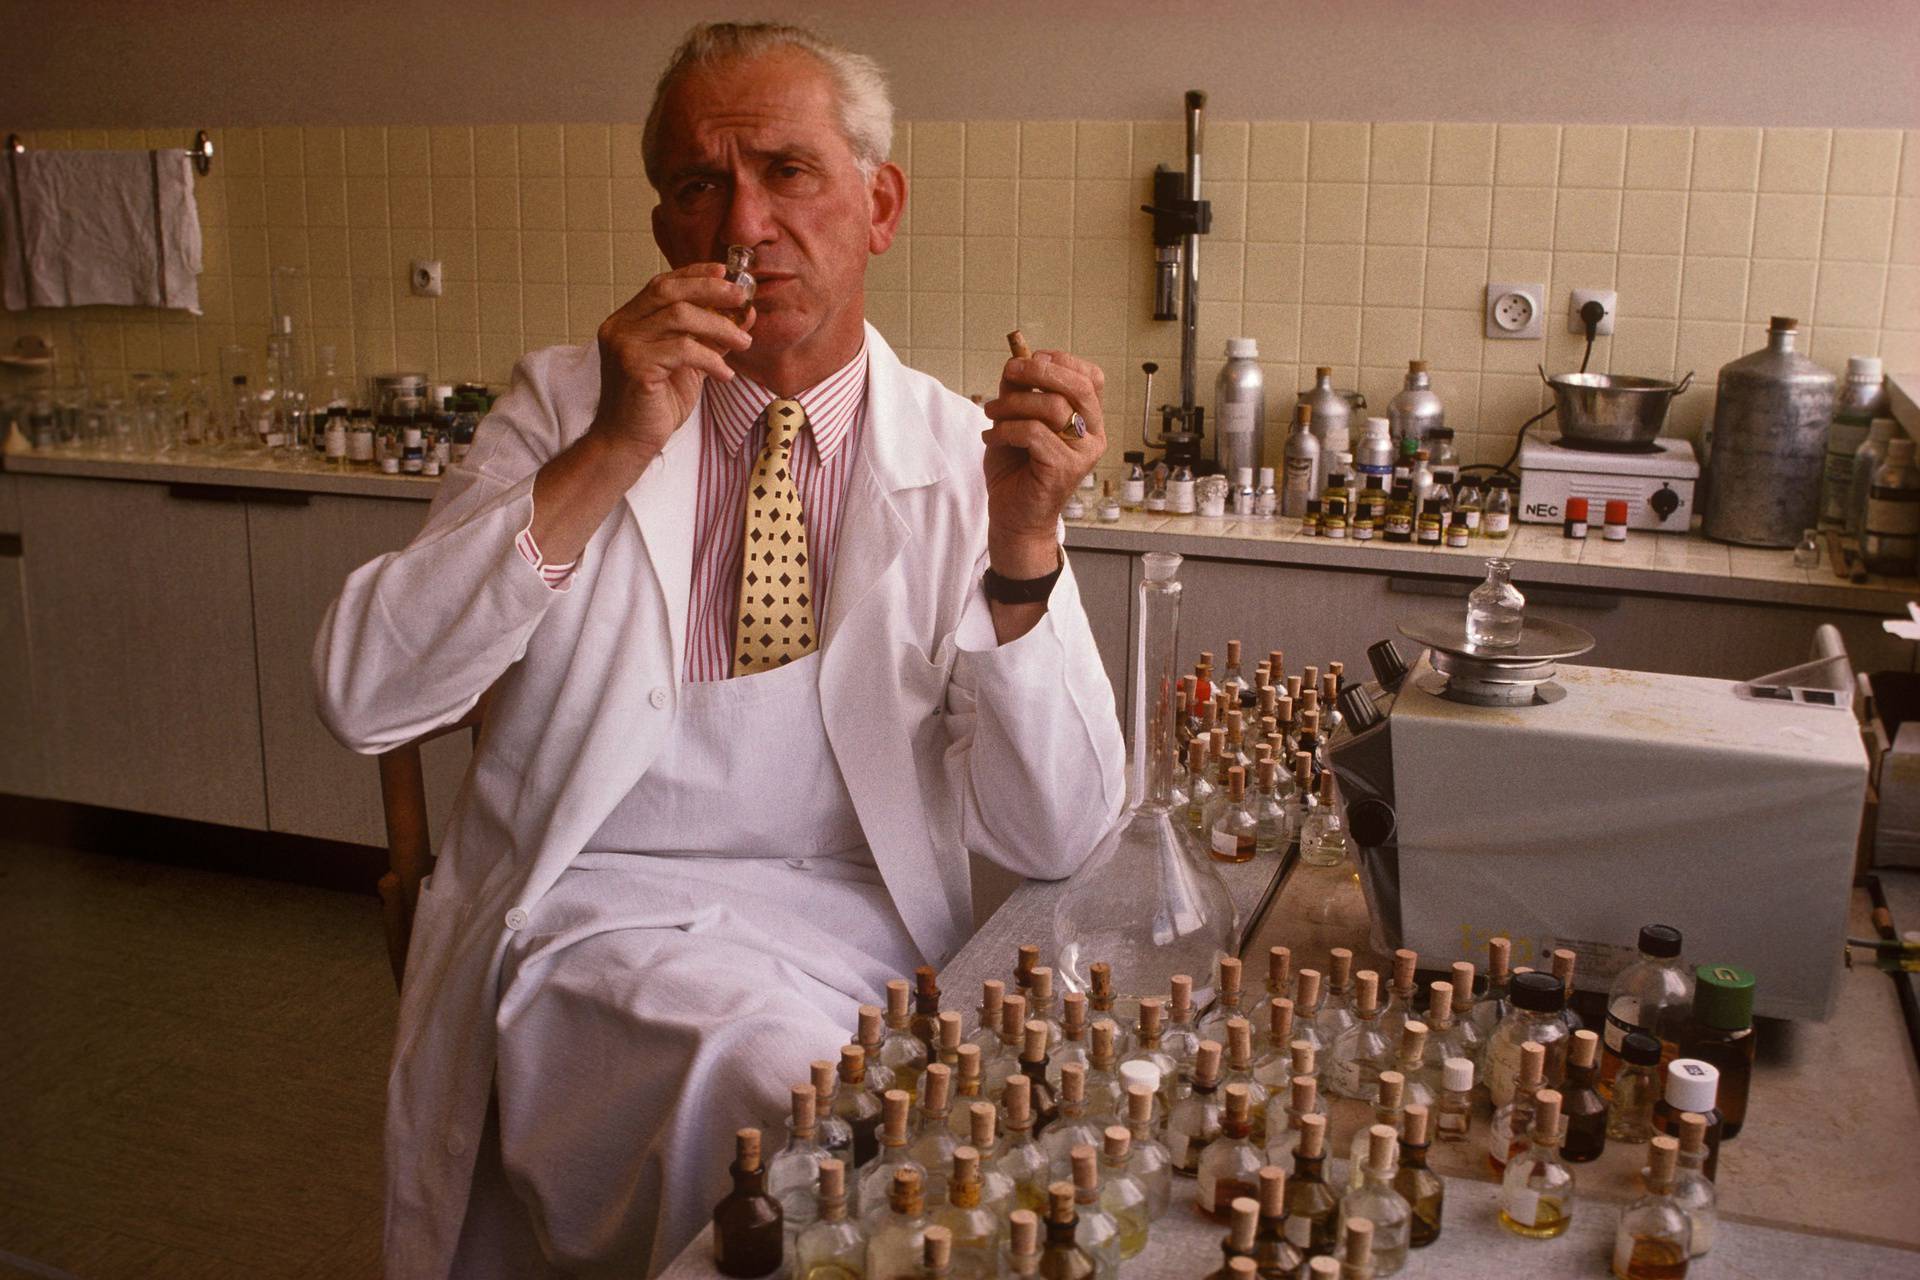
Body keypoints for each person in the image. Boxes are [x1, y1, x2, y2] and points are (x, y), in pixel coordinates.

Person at [313, 20, 1125, 1280]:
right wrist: (611, 452)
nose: (743, 224)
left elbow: (1059, 831)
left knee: (999, 1141)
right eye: (701, 184)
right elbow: (365, 693)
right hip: (592, 911)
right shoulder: (561, 412)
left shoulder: (966, 457)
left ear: (880, 204)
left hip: (862, 929)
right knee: (783, 1100)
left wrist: (1025, 545)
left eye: (788, 172)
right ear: (664, 230)